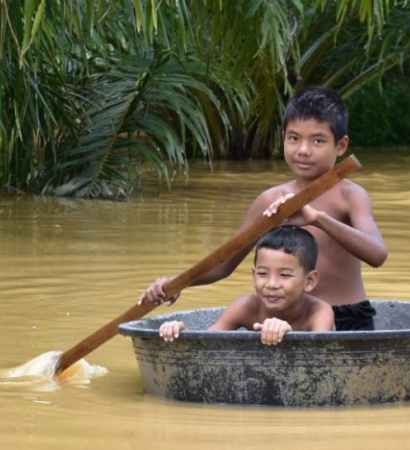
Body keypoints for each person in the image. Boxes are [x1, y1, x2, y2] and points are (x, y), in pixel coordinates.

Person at [141, 86, 387, 330]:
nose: (303, 150)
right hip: (286, 319)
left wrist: (317, 219)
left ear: (341, 146)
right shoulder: (270, 200)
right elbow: (225, 263)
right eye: (294, 138)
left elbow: (377, 254)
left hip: (347, 317)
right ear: (283, 139)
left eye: (318, 141)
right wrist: (177, 283)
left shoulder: (350, 195)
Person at [158, 226, 335, 345]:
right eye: (262, 273)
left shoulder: (319, 311)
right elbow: (208, 342)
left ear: (309, 281)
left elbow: (321, 355)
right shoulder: (246, 306)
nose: (272, 284)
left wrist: (289, 333)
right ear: (253, 275)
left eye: (285, 275)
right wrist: (180, 333)